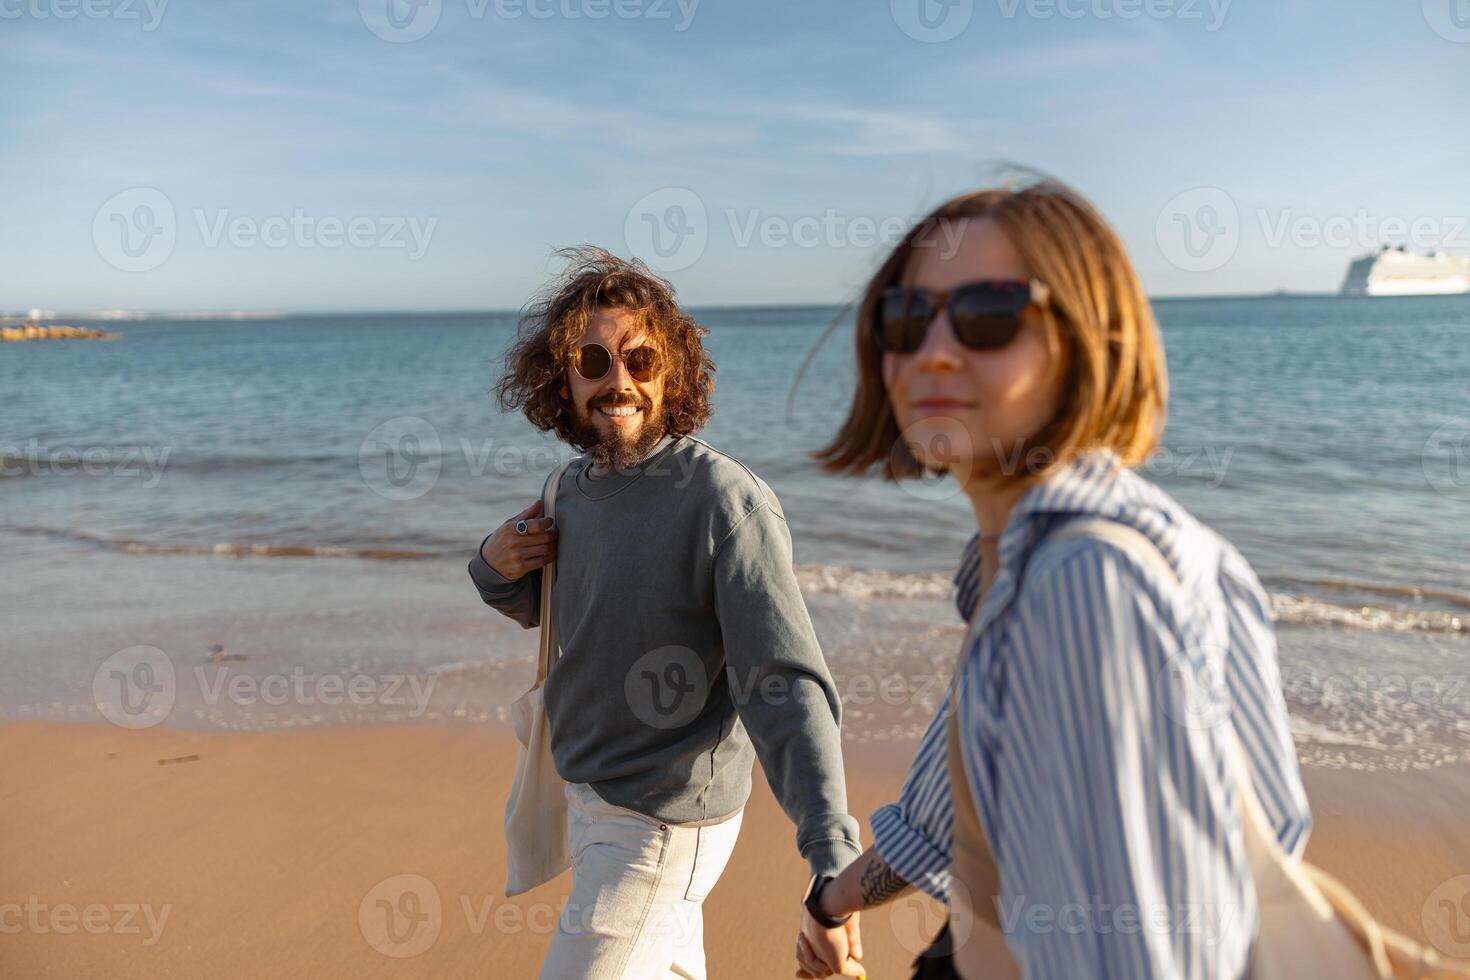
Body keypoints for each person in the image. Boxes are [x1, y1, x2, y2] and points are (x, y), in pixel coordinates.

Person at [796, 180, 1311, 978]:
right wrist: (829, 904)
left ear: (1088, 341)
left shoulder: (1090, 580)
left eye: (990, 314)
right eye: (905, 316)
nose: (932, 348)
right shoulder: (1041, 561)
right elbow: (949, 818)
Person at [470, 247, 865, 979]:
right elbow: (566, 613)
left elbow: (783, 685)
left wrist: (830, 855)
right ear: (562, 378)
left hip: (662, 825)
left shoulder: (723, 501)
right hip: (585, 798)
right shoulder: (570, 489)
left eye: (641, 359)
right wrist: (491, 567)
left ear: (673, 370)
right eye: (592, 361)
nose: (617, 381)